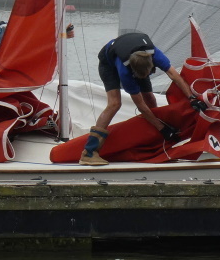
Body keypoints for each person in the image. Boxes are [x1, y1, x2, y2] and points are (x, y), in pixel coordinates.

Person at [80, 32, 202, 166]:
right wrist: (162, 128)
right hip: (109, 64)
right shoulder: (125, 73)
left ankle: (157, 140)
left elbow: (175, 76)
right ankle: (89, 152)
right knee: (114, 104)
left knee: (150, 98)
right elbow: (140, 106)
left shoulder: (156, 55)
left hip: (139, 63)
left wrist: (192, 98)